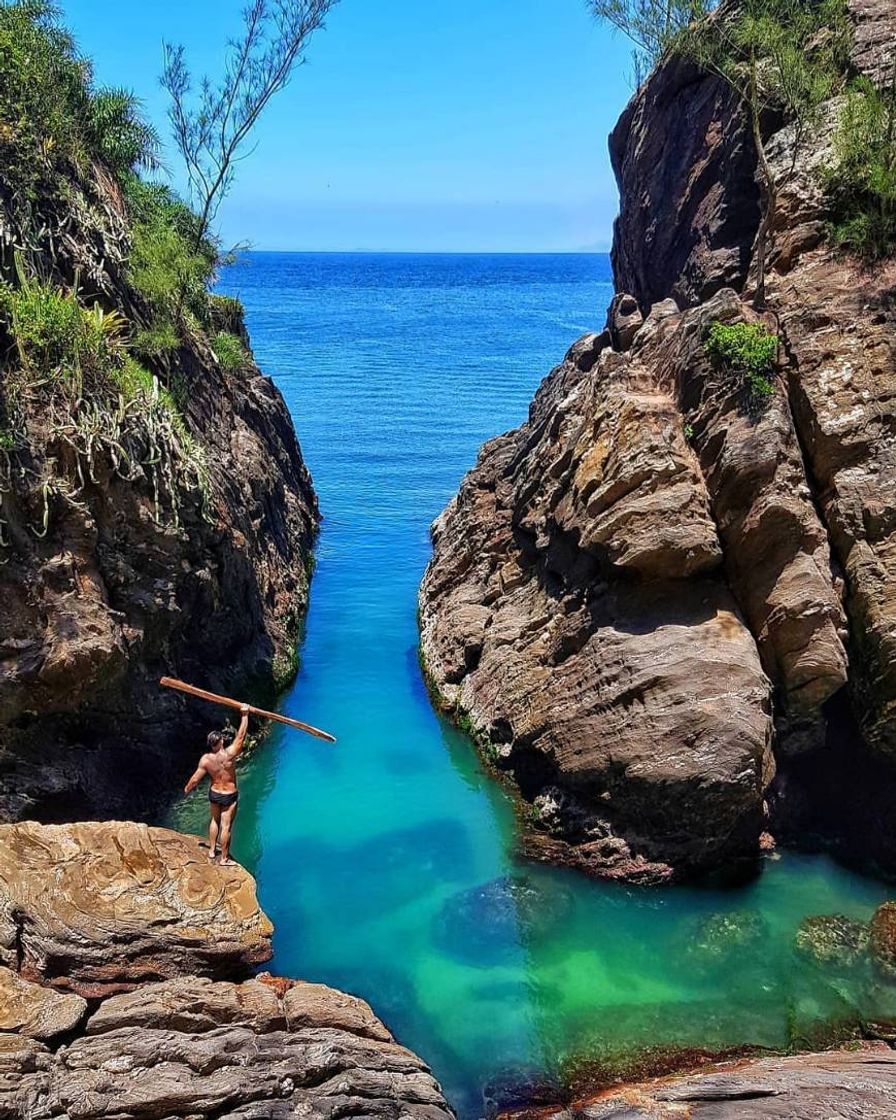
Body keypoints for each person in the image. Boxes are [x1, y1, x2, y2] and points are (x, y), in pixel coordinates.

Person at [184, 703, 250, 866]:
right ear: (220, 742)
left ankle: (212, 851)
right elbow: (240, 737)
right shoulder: (229, 754)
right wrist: (245, 715)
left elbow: (195, 779)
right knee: (226, 826)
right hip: (229, 795)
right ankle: (224, 859)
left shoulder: (206, 760)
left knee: (214, 820)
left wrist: (187, 789)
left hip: (214, 793)